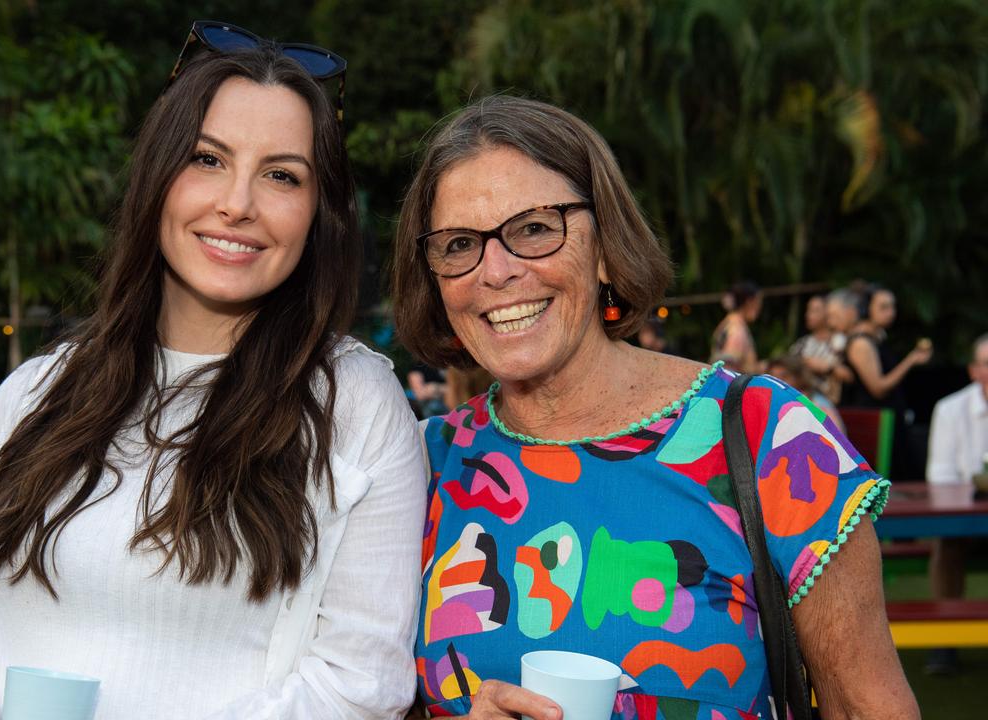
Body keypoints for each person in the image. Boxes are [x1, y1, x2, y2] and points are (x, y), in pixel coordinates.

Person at [0, 33, 426, 720]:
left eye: (282, 175)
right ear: (157, 176)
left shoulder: (354, 404)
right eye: (207, 159)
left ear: (319, 214)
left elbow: (361, 680)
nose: (238, 203)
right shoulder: (36, 393)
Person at [392, 96, 917, 719]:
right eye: (458, 244)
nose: (496, 271)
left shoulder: (767, 436)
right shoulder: (418, 466)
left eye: (534, 228)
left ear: (607, 248)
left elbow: (867, 708)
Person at [922, 332, 988, 675]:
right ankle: (943, 643)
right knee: (946, 546)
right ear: (973, 370)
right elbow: (941, 476)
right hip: (964, 515)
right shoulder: (950, 409)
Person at [841, 284, 931, 480]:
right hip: (876, 426)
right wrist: (911, 360)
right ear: (866, 310)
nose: (891, 312)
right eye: (883, 307)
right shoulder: (861, 343)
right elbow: (878, 387)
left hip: (890, 420)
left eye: (892, 306)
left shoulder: (876, 338)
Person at [788, 295, 849, 403]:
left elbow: (850, 376)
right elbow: (787, 367)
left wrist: (827, 367)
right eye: (808, 310)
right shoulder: (802, 344)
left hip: (834, 403)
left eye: (815, 310)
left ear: (828, 313)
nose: (808, 315)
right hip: (805, 400)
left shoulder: (842, 341)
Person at [710, 281, 762, 374]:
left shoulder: (728, 322)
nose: (759, 307)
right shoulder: (736, 330)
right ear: (749, 302)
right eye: (758, 302)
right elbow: (728, 367)